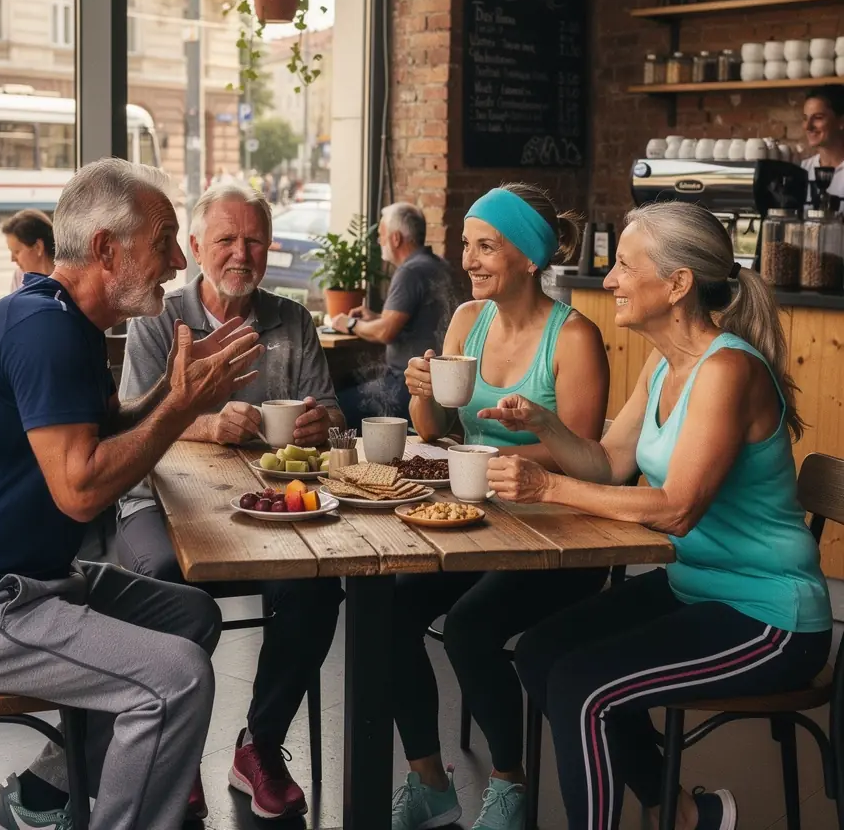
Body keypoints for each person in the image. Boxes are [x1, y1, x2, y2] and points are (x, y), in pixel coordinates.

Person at [0, 158, 266, 830]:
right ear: (104, 248)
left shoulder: (65, 321)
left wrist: (172, 390)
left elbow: (107, 429)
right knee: (176, 679)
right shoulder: (43, 331)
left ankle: (41, 796)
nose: (178, 260)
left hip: (26, 582)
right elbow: (81, 492)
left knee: (191, 617)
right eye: (164, 240)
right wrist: (181, 406)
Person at [489, 201, 833, 830]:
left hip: (770, 617)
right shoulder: (662, 362)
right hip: (695, 590)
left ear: (677, 285)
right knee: (541, 653)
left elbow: (676, 509)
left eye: (624, 266)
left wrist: (547, 485)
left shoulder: (727, 369)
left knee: (583, 688)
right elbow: (609, 465)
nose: (610, 279)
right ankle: (682, 812)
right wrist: (544, 426)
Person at [116, 182, 345, 820]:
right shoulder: (159, 317)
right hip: (157, 506)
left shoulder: (291, 318)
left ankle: (260, 746)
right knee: (164, 580)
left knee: (317, 585)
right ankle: (177, 752)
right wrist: (205, 422)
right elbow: (132, 422)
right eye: (226, 239)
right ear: (194, 246)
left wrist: (315, 423)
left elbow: (328, 410)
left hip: (261, 508)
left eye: (254, 240)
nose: (241, 253)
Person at [390, 182, 610, 830]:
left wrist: (495, 459)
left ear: (531, 258)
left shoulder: (574, 339)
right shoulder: (465, 322)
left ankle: (509, 787)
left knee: (470, 627)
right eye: (466, 244)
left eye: (487, 245)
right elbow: (433, 434)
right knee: (392, 608)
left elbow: (584, 461)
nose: (470, 259)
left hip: (560, 536)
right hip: (475, 519)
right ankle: (429, 780)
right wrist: (422, 393)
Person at [331, 202, 455, 429]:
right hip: (440, 385)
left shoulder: (409, 271)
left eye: (381, 234)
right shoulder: (438, 264)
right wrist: (375, 316)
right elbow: (416, 321)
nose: (379, 241)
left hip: (409, 386)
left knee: (332, 409)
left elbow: (385, 332)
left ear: (396, 239)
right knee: (350, 382)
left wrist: (348, 323)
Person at [800, 85, 844, 200]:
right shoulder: (803, 170)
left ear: (841, 122)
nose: (808, 126)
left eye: (818, 117)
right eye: (805, 118)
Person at [2, 208, 55, 292]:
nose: (12, 259)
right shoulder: (19, 276)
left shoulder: (68, 279)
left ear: (38, 247)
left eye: (17, 251)